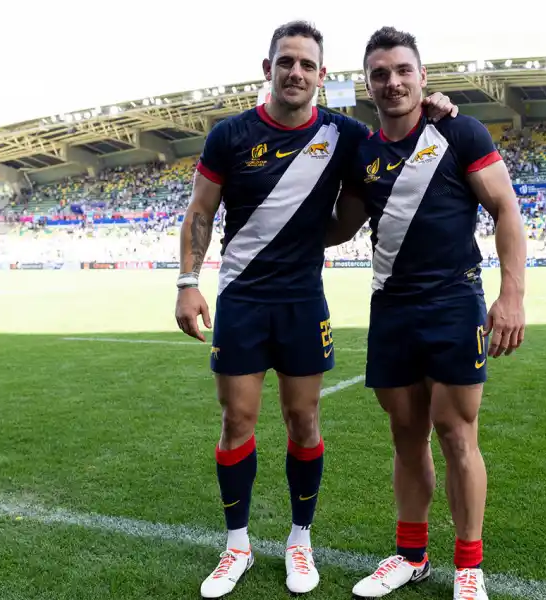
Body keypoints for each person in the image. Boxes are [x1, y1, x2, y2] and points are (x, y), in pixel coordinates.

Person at [173, 21, 458, 599]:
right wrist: (186, 281)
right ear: (268, 68)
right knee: (237, 423)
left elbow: (399, 132)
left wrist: (435, 106)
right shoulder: (229, 135)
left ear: (322, 77)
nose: (296, 73)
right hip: (243, 300)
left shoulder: (344, 135)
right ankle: (238, 546)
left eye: (307, 65)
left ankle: (299, 541)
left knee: (304, 421)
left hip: (303, 301)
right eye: (286, 62)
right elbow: (200, 210)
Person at [326, 26, 527, 600]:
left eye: (402, 71)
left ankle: (468, 566)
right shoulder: (363, 152)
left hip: (453, 304)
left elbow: (505, 208)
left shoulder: (458, 131)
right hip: (390, 308)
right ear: (368, 84)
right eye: (380, 74)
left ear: (422, 76)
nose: (392, 82)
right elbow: (342, 226)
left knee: (456, 431)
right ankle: (411, 556)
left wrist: (510, 297)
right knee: (405, 436)